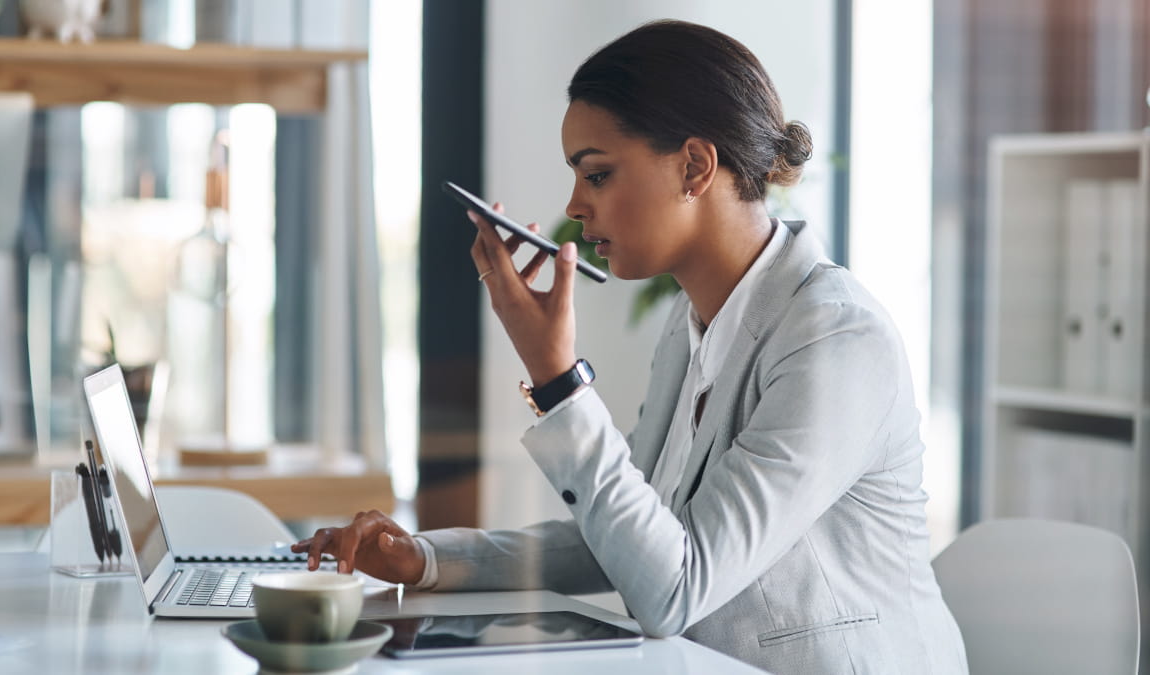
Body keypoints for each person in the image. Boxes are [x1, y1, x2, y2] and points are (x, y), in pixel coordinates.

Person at [294, 19, 968, 673]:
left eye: (598, 174)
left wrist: (558, 379)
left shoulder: (836, 339)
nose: (576, 204)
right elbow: (625, 538)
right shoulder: (690, 326)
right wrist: (425, 558)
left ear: (695, 166)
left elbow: (674, 587)